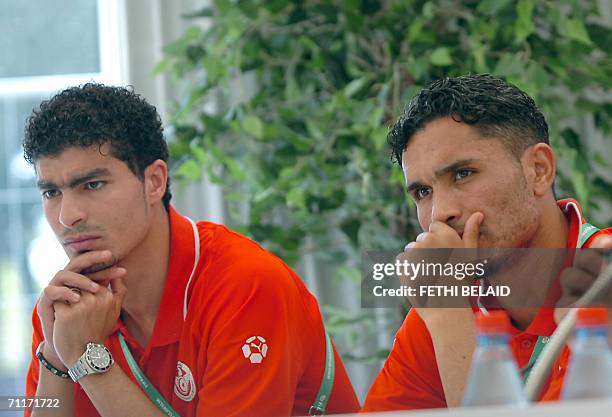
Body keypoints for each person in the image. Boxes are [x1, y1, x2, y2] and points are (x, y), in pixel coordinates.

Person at [23, 83, 360, 417]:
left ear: (154, 181)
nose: (68, 216)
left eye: (92, 185)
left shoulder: (246, 285)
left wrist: (87, 359)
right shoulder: (65, 308)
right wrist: (56, 354)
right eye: (52, 193)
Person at [361, 74, 612, 411]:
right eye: (423, 192)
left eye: (463, 174)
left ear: (538, 170)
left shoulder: (604, 278)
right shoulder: (443, 299)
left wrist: (449, 319)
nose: (441, 212)